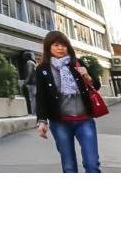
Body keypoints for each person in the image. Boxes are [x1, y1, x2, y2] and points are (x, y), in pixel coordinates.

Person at [34, 29, 103, 173]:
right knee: (69, 166)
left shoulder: (77, 63)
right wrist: (42, 121)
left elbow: (96, 86)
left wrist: (87, 76)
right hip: (60, 122)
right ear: (48, 47)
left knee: (92, 164)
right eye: (56, 45)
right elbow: (41, 96)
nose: (61, 48)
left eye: (64, 45)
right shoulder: (42, 69)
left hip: (84, 120)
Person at [20, 51, 38, 115]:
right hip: (35, 83)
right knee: (34, 98)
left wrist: (26, 80)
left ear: (27, 56)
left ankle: (34, 112)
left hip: (32, 83)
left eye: (24, 56)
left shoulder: (29, 62)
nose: (23, 57)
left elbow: (29, 72)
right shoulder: (33, 62)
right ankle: (35, 112)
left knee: (32, 98)